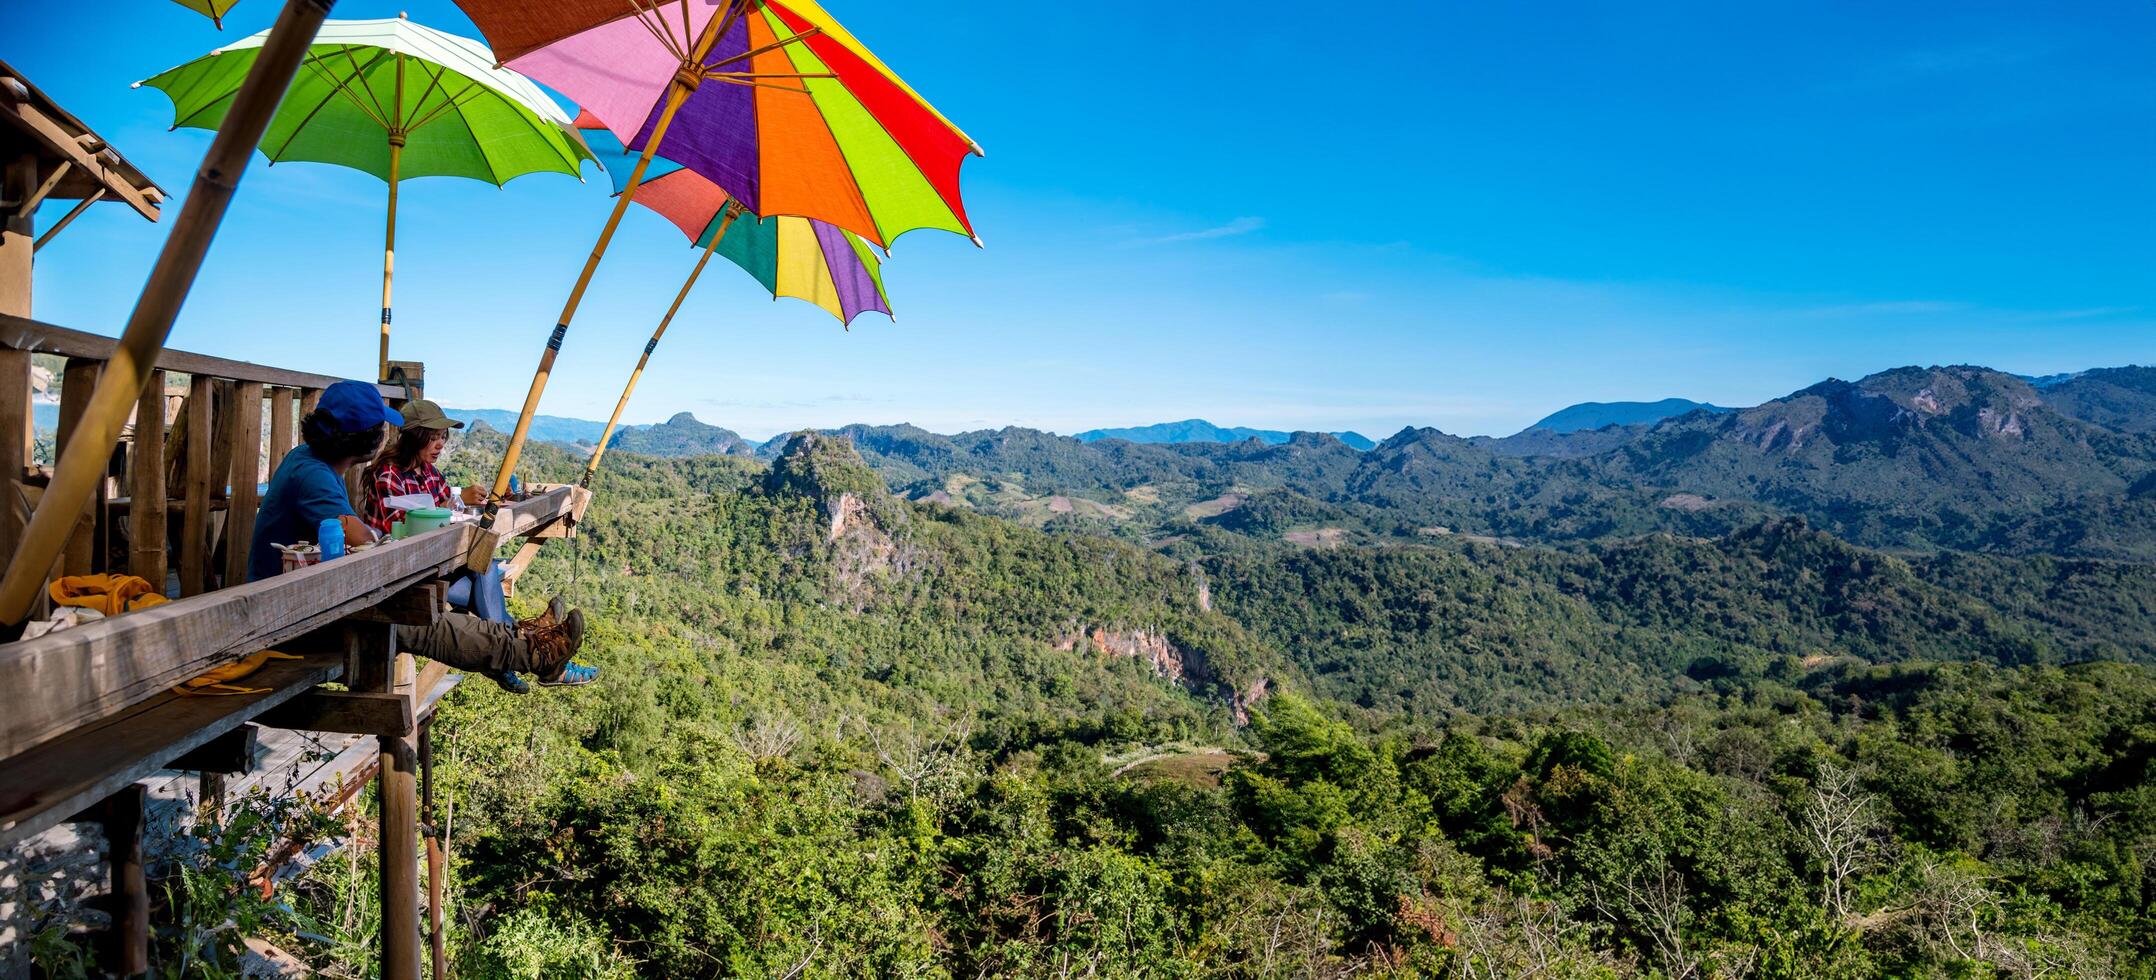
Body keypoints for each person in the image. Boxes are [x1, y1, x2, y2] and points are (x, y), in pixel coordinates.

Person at [248, 381, 592, 685]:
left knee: (445, 600)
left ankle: (531, 645)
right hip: (293, 621)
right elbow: (360, 536)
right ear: (364, 438)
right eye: (381, 426)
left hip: (304, 602)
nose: (386, 432)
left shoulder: (308, 460)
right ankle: (534, 652)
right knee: (420, 623)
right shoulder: (315, 476)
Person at [359, 399, 598, 689]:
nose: (440, 444)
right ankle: (531, 653)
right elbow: (407, 529)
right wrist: (448, 510)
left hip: (436, 566)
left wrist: (454, 506)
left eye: (442, 437)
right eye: (433, 437)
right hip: (400, 573)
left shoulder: (431, 474)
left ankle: (527, 652)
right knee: (483, 572)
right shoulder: (388, 475)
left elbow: (447, 507)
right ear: (414, 437)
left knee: (482, 571)